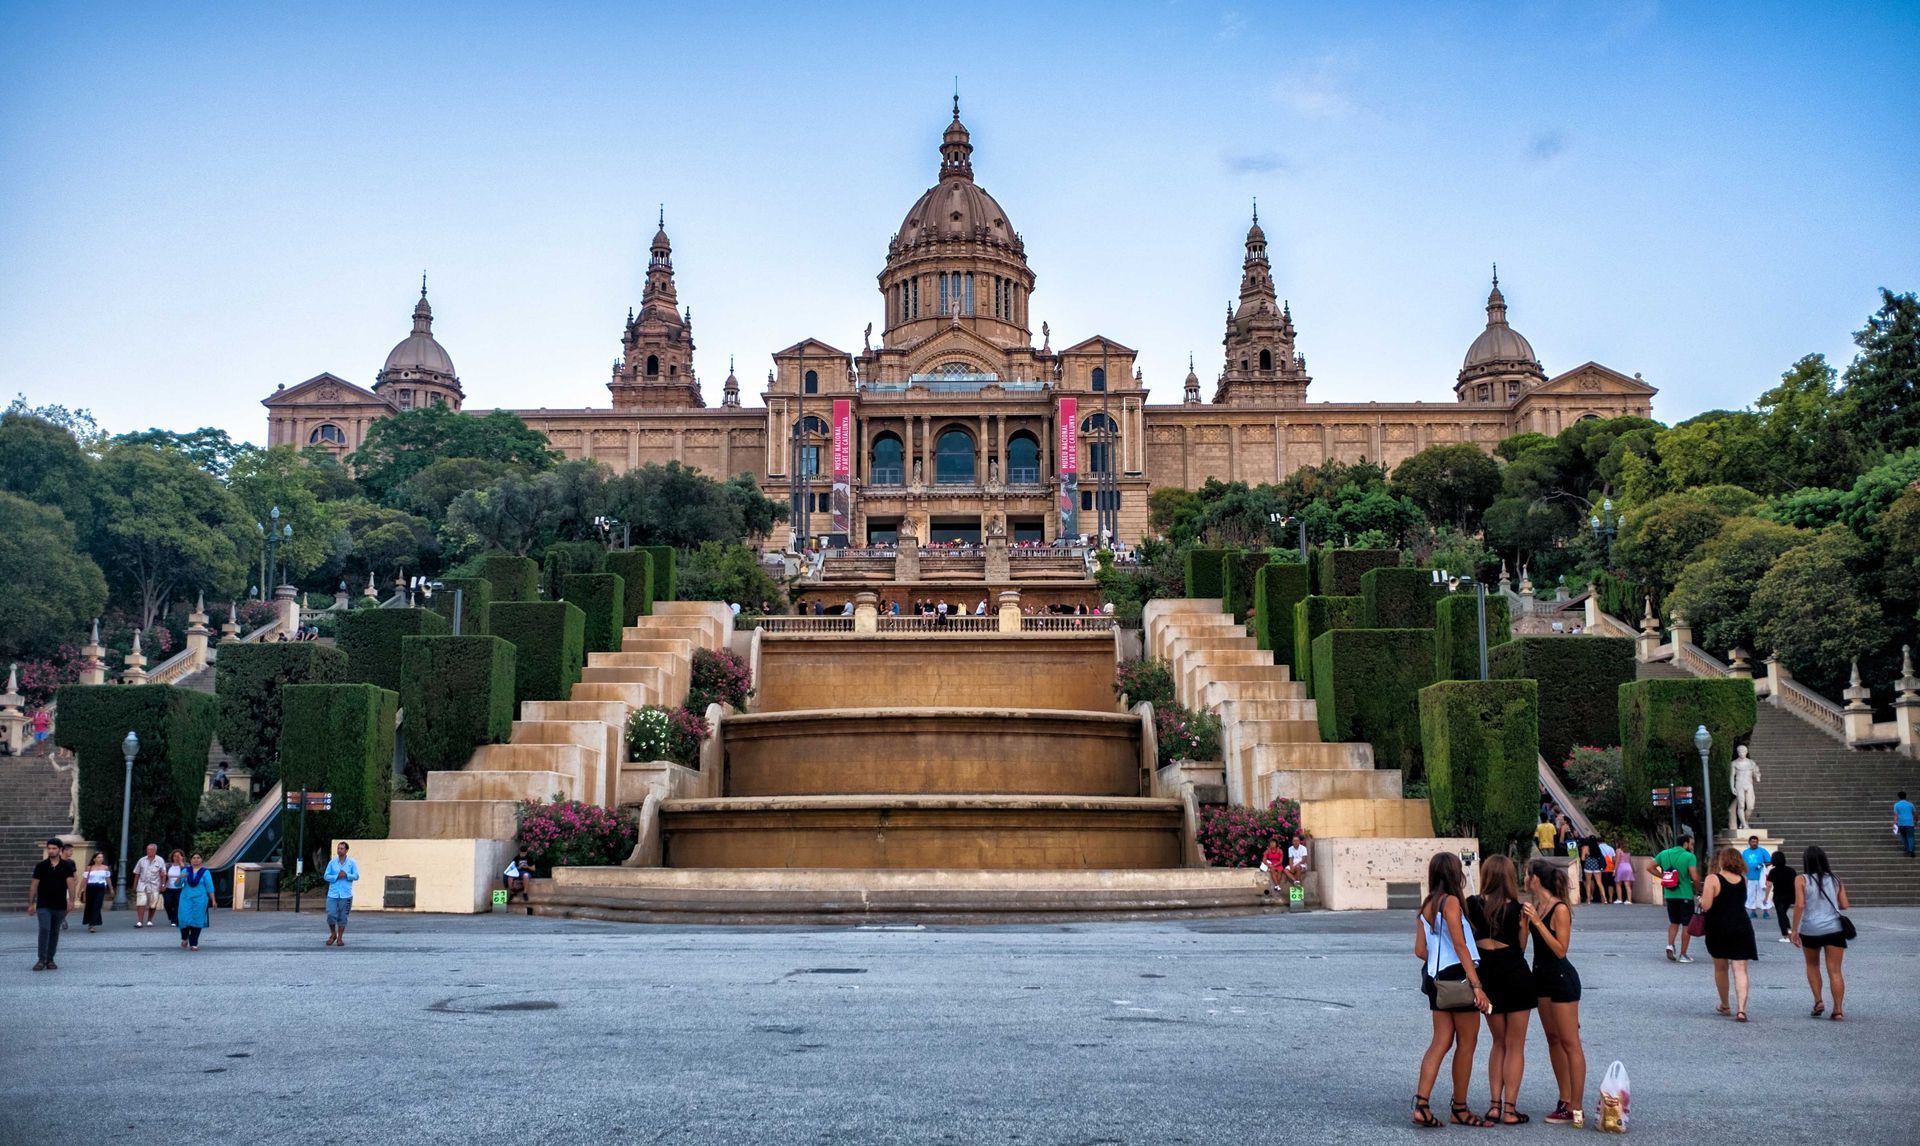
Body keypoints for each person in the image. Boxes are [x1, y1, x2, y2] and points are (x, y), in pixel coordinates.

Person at [1411, 851, 1489, 1128]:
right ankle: (1460, 1107)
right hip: (1459, 977)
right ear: (1455, 874)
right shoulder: (1452, 902)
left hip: (1436, 979)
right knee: (1467, 1044)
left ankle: (1421, 1103)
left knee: (1440, 1042)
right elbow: (1460, 944)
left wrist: (1438, 958)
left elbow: (1420, 950)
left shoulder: (1427, 905)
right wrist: (1477, 984)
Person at [1468, 855, 1534, 1125]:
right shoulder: (1518, 908)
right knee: (1515, 1045)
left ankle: (1494, 1105)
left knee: (1498, 1042)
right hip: (1515, 973)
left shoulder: (1472, 904)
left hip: (1487, 975)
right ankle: (1510, 1109)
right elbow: (1521, 946)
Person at [1525, 858, 1586, 1127]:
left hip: (1561, 978)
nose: (1525, 879)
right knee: (1552, 1039)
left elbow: (1561, 949)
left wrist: (1538, 923)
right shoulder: (1537, 905)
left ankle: (1577, 1105)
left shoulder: (1559, 909)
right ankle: (1564, 1098)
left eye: (1527, 875)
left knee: (1570, 1042)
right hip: (1541, 978)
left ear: (1536, 879)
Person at [1791, 845, 1850, 1020]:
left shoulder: (1801, 879)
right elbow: (1845, 905)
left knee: (1812, 965)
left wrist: (1795, 929)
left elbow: (1800, 905)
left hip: (1811, 929)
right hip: (1834, 928)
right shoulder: (1835, 878)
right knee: (1835, 971)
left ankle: (1818, 1001)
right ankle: (1838, 1010)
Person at [1699, 847, 1757, 1021]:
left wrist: (1701, 900)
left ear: (1723, 861)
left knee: (1721, 967)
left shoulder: (1713, 879)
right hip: (1741, 926)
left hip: (1718, 927)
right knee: (1740, 969)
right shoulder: (1743, 879)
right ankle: (1742, 1009)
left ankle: (1725, 1004)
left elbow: (1707, 905)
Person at [1650, 830, 1700, 963]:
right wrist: (1698, 890)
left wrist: (1665, 876)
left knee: (1674, 922)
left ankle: (1670, 945)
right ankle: (1683, 954)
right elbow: (1694, 877)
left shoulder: (1664, 853)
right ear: (1685, 843)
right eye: (1691, 843)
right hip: (1685, 895)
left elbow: (1650, 867)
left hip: (1669, 894)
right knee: (1686, 924)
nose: (1691, 846)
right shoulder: (1689, 856)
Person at [27, 838, 76, 971]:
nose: (51, 851)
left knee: (54, 932)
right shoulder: (41, 866)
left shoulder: (66, 866)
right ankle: (41, 959)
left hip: (60, 905)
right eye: (49, 848)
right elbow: (34, 885)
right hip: (43, 904)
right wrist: (31, 903)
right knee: (44, 930)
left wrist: (71, 901)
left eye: (54, 848)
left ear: (60, 850)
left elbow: (71, 884)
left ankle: (50, 959)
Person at [175, 853, 215, 951]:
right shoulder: (186, 870)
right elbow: (177, 885)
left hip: (200, 899)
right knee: (183, 919)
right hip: (186, 898)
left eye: (198, 858)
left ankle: (194, 943)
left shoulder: (205, 872)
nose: (196, 860)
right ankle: (184, 938)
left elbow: (210, 887)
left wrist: (213, 900)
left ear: (201, 860)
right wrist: (180, 877)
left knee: (197, 920)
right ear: (191, 860)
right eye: (194, 858)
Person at [323, 841, 358, 946]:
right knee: (331, 914)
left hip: (346, 894)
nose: (339, 850)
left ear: (346, 850)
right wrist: (336, 877)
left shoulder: (352, 863)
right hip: (333, 894)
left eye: (342, 848)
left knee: (343, 917)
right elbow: (326, 876)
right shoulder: (332, 863)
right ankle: (333, 934)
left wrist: (347, 875)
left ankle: (340, 938)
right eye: (338, 848)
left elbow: (356, 875)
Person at [131, 843, 166, 928]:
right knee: (141, 902)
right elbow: (137, 873)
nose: (148, 851)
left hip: (154, 885)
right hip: (142, 884)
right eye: (147, 850)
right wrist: (134, 885)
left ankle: (149, 920)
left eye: (150, 850)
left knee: (152, 904)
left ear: (155, 851)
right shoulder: (142, 860)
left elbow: (163, 874)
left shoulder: (160, 860)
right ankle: (139, 921)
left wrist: (163, 884)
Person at [1767, 849, 1797, 945]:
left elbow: (1768, 885)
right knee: (1783, 914)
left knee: (1781, 915)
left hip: (1778, 896)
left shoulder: (1773, 871)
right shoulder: (1791, 870)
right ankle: (1789, 932)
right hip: (1790, 895)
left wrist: (1765, 897)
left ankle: (1786, 935)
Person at [1741, 835, 1772, 918]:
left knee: (1762, 894)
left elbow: (1770, 861)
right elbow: (1741, 863)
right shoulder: (1745, 852)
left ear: (1758, 842)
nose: (1754, 843)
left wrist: (1762, 865)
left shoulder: (1762, 851)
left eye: (1756, 842)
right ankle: (1753, 911)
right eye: (1752, 842)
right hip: (1749, 877)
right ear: (1749, 842)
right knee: (1750, 895)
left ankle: (1766, 912)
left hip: (1761, 878)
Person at [80, 852, 110, 931]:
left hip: (100, 887)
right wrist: (81, 889)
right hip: (91, 887)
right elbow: (85, 880)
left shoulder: (105, 868)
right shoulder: (89, 868)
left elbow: (108, 878)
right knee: (90, 905)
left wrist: (111, 888)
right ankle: (90, 922)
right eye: (99, 857)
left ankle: (93, 924)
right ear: (94, 859)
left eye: (102, 857)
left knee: (97, 905)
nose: (101, 859)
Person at [1579, 838, 1606, 906]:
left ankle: (1588, 900)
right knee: (1599, 883)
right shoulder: (1597, 848)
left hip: (1588, 866)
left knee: (1588, 883)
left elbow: (1582, 858)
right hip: (1596, 866)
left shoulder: (1585, 848)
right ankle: (1604, 898)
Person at [163, 849, 186, 926]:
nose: (176, 857)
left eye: (178, 856)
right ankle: (171, 916)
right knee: (167, 903)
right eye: (175, 856)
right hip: (168, 888)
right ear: (172, 857)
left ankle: (174, 920)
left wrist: (181, 862)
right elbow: (163, 875)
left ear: (182, 857)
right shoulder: (168, 866)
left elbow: (186, 872)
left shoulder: (185, 865)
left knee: (177, 904)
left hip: (179, 888)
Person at [1611, 839, 1635, 905]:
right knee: (1627, 885)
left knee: (1618, 884)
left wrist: (1614, 870)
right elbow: (1630, 861)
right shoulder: (1627, 851)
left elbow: (1617, 861)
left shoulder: (1618, 850)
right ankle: (1629, 900)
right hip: (1628, 867)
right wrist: (1633, 869)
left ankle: (1619, 899)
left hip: (1621, 867)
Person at [1895, 791, 1915, 858]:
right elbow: (1915, 813)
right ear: (1906, 796)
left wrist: (1895, 823)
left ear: (1899, 797)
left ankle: (1907, 849)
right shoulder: (1910, 804)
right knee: (1910, 837)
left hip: (1901, 823)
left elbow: (1896, 815)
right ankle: (1911, 850)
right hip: (1909, 823)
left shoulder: (1896, 805)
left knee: (1903, 837)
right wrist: (1917, 820)